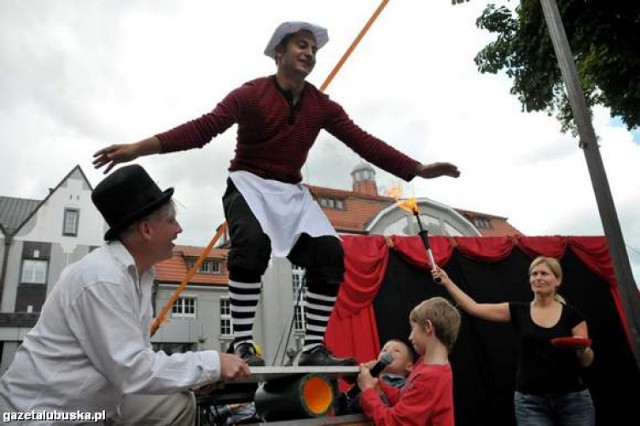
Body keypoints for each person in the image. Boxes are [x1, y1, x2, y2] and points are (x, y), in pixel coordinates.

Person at [92, 21, 460, 368]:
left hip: (290, 192)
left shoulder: (321, 106)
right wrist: (139, 147)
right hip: (248, 185)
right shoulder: (251, 94)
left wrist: (416, 169)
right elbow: (203, 129)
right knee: (251, 246)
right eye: (302, 45)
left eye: (314, 48)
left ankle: (313, 347)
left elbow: (363, 142)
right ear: (278, 52)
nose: (310, 53)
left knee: (330, 253)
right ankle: (242, 342)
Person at [0, 164, 251, 425]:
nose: (179, 229)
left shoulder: (139, 276)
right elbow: (131, 369)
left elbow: (134, 360)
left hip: (89, 399)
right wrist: (212, 364)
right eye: (171, 220)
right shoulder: (102, 278)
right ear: (146, 230)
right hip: (40, 413)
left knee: (174, 403)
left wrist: (194, 379)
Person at [431, 256, 596, 426]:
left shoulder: (572, 315)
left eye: (544, 274)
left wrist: (583, 349)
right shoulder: (518, 311)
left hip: (573, 399)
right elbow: (474, 308)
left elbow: (586, 361)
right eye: (534, 274)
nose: (538, 277)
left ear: (557, 280)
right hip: (531, 402)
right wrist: (447, 281)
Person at [357, 297, 461, 425]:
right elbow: (404, 396)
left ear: (428, 327)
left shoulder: (431, 376)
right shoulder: (426, 362)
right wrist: (378, 384)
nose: (410, 337)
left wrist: (368, 391)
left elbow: (394, 422)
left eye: (413, 329)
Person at [337, 338, 415, 415]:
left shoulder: (406, 385)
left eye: (396, 351)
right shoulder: (375, 375)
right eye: (384, 350)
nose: (388, 353)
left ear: (409, 367)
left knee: (363, 395)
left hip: (383, 409)